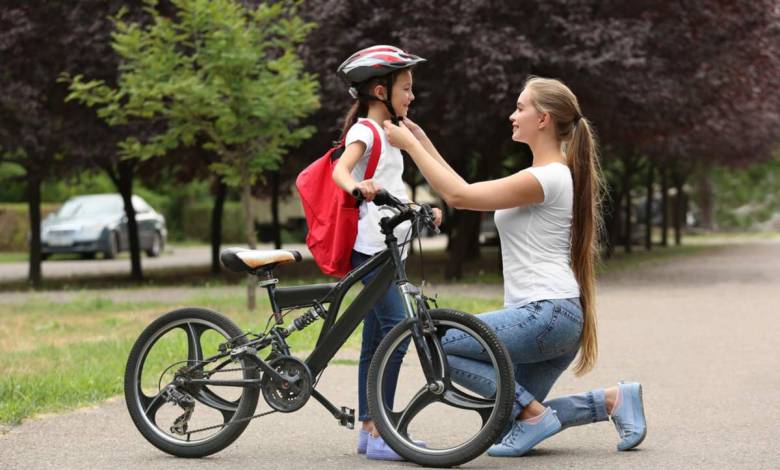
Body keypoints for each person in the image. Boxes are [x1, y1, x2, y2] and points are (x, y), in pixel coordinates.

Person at [383, 76, 647, 457]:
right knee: (506, 420)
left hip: (545, 315)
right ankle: (612, 401)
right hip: (555, 320)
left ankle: (532, 412)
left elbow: (460, 196)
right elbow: (463, 186)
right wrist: (422, 142)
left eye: (520, 107)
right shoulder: (545, 176)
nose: (512, 115)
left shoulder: (547, 177)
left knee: (430, 338)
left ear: (543, 119)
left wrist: (409, 147)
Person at [331, 45, 442, 461]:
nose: (412, 96)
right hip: (369, 253)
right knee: (397, 332)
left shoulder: (392, 134)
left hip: (384, 250)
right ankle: (382, 429)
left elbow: (391, 190)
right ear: (381, 90)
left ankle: (369, 429)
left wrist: (421, 209)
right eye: (406, 88)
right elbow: (343, 169)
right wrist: (357, 187)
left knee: (376, 340)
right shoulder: (366, 131)